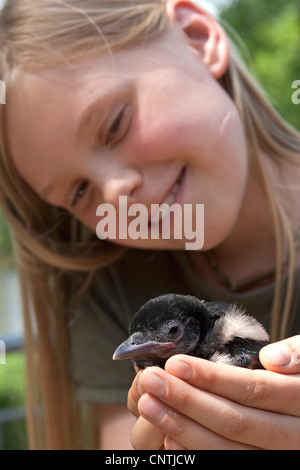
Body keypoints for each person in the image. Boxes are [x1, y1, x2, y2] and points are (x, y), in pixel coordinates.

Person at [0, 0, 299, 450]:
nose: (116, 193)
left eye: (115, 125)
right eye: (80, 192)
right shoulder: (110, 280)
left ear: (198, 38)